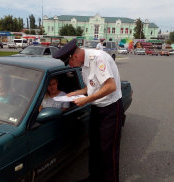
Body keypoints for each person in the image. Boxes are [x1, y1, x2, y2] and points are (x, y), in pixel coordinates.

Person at [52, 39, 123, 182]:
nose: (71, 66)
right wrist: (77, 92)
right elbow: (91, 87)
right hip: (97, 107)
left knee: (108, 151)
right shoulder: (83, 64)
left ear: (75, 56)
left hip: (110, 109)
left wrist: (86, 100)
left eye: (70, 63)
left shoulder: (98, 59)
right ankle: (95, 177)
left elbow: (110, 87)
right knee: (95, 146)